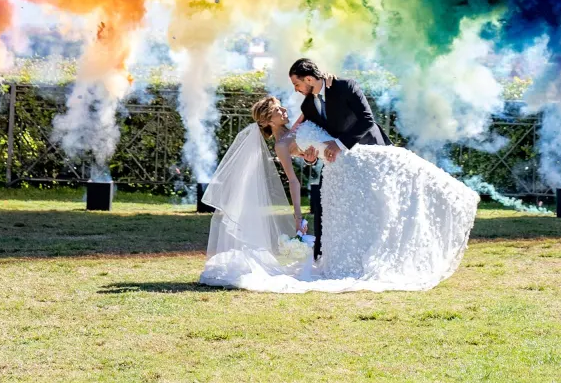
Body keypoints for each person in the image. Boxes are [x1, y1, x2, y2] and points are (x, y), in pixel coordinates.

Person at [198, 92, 478, 293]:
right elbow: (294, 180)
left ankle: (455, 197)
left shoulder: (297, 123)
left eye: (282, 108)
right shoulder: (281, 145)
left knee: (405, 171)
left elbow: (314, 141)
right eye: (277, 110)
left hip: (348, 159)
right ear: (266, 120)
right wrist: (297, 215)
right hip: (341, 171)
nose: (283, 111)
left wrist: (310, 154)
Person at [288, 56, 387, 159]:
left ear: (309, 79)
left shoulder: (345, 87)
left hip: (372, 150)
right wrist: (311, 159)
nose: (296, 89)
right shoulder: (307, 107)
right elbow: (318, 136)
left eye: (297, 84)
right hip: (343, 160)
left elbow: (367, 120)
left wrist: (339, 144)